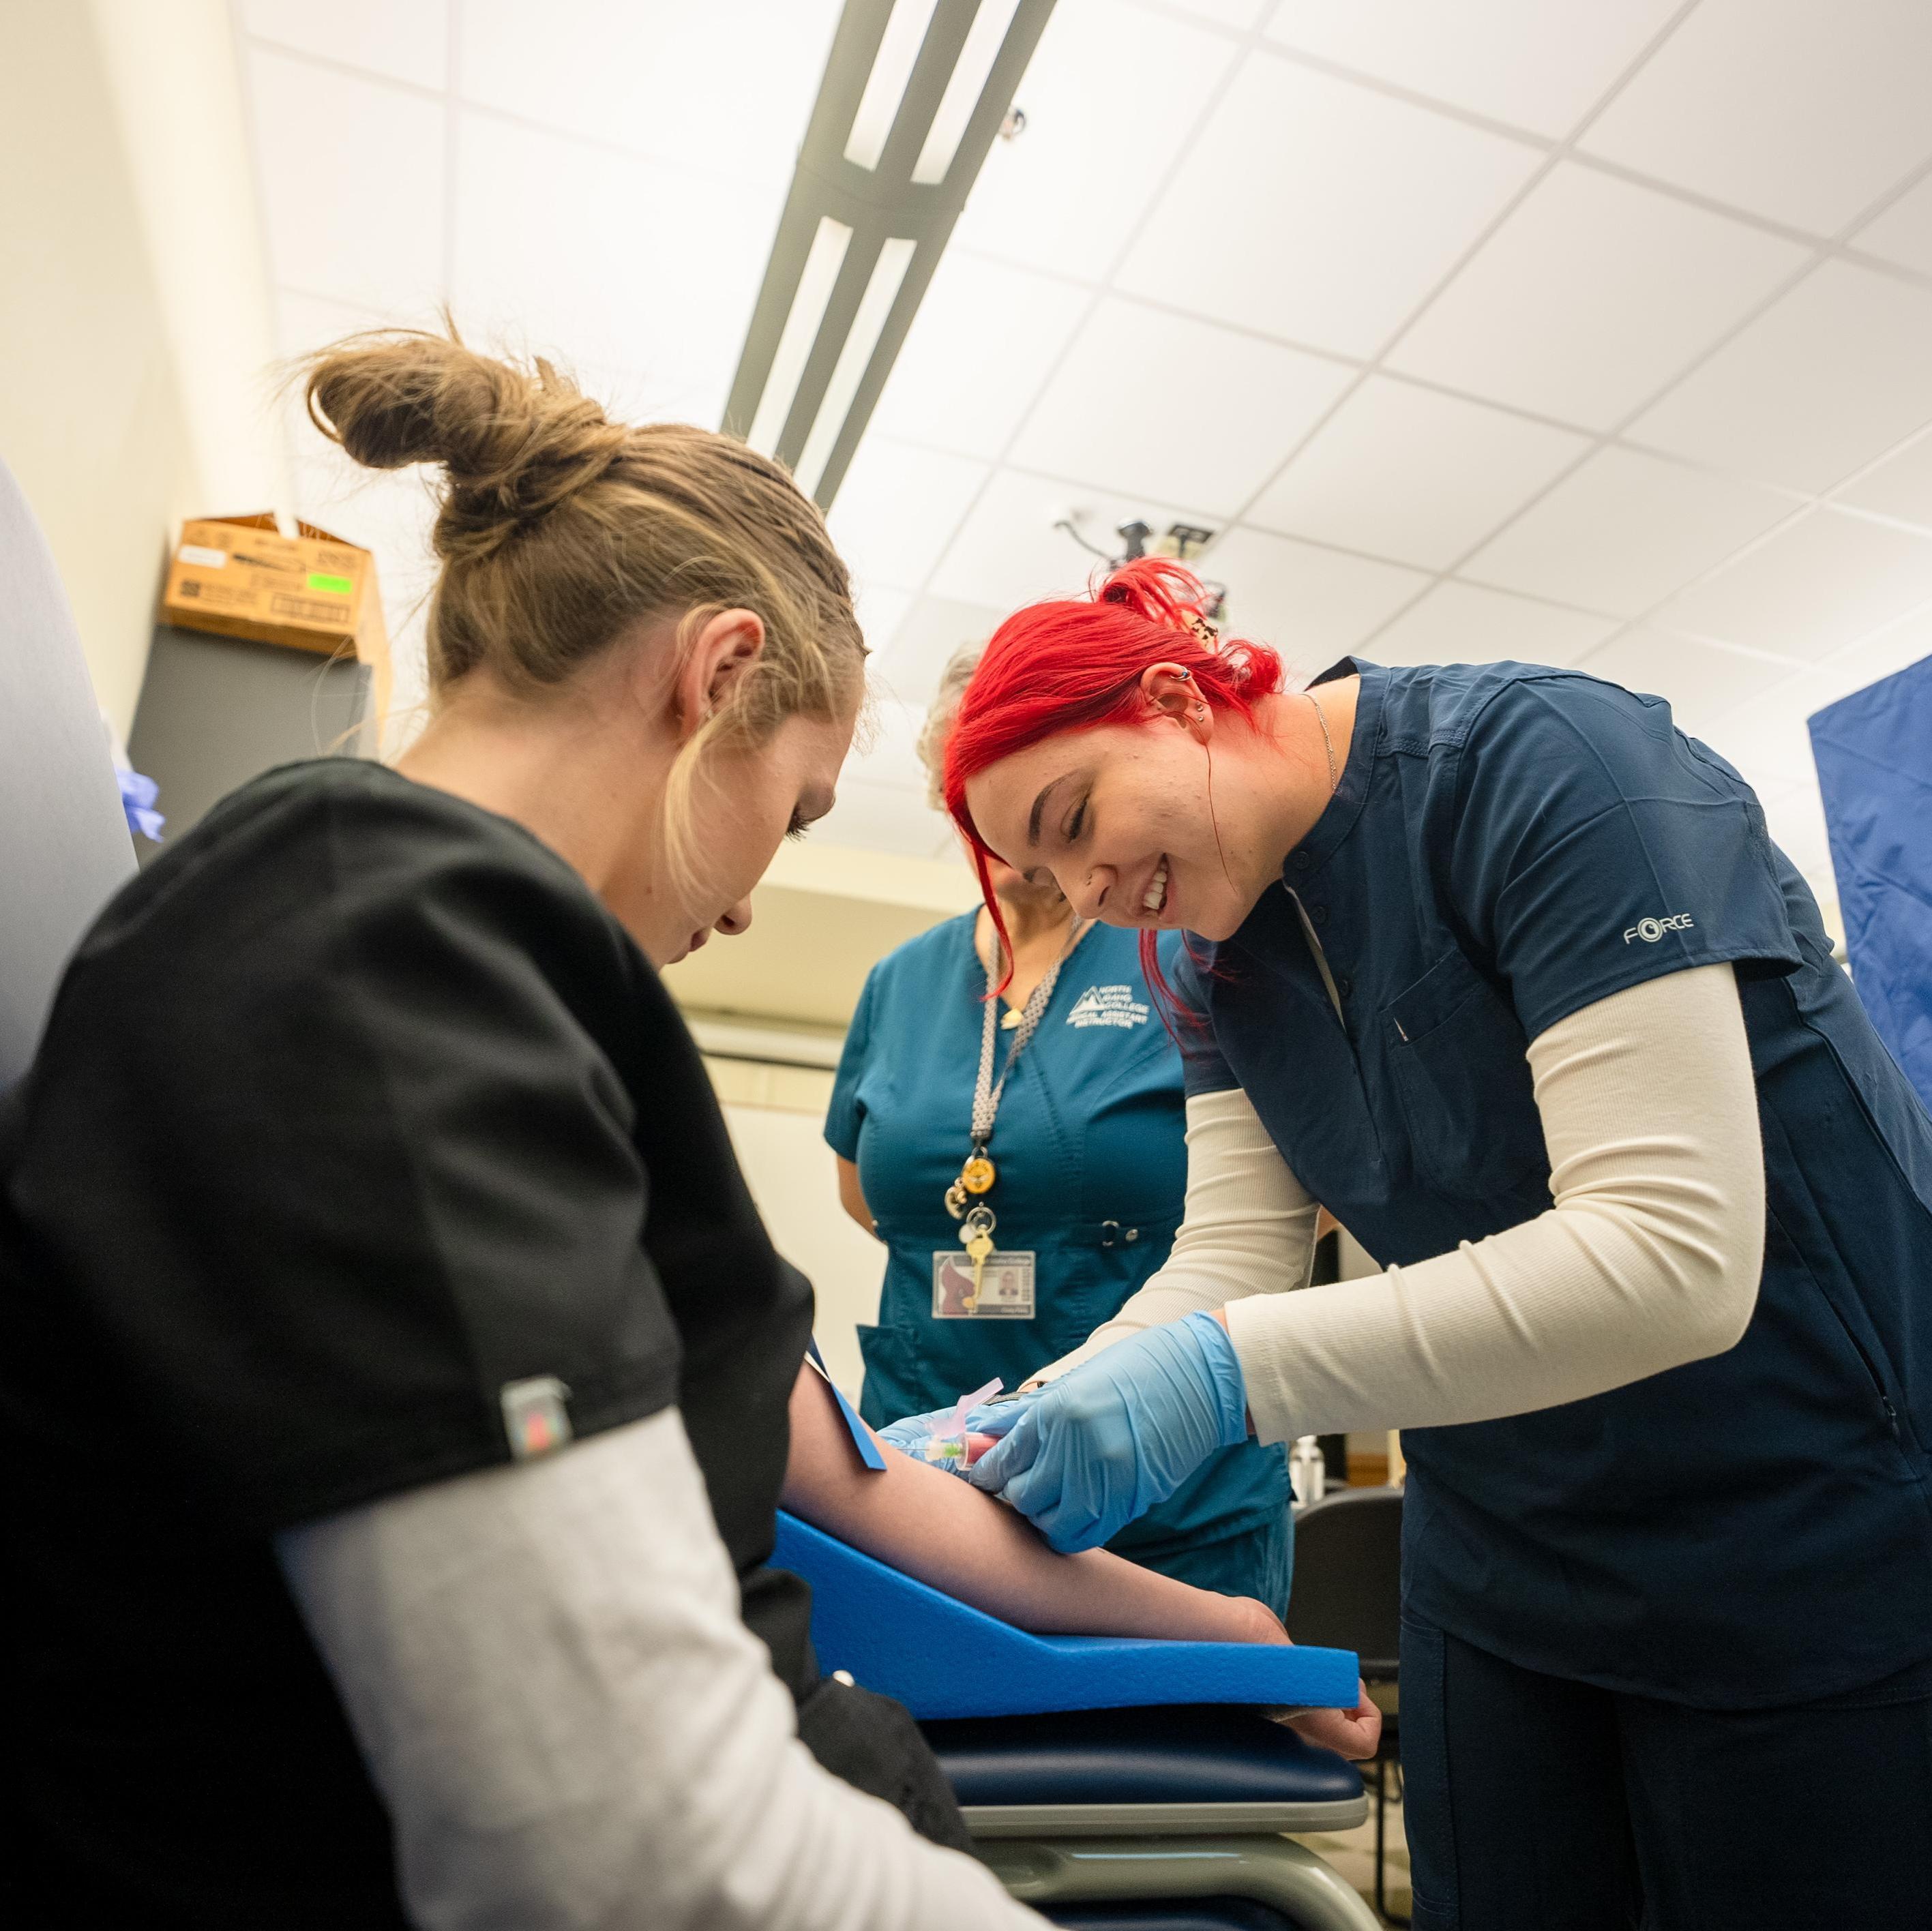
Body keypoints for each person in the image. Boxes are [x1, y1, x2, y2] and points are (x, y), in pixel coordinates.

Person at [0, 339, 1356, 1931]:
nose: (744, 903)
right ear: (715, 676)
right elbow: (634, 1844)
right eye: (789, 812)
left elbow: (836, 1475)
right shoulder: (373, 969)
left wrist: (1216, 1632)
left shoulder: (464, 973)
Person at [932, 556, 1932, 1931]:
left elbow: (1667, 1257)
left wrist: (1217, 1378)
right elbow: (1232, 1249)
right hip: (1505, 1546)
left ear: (1173, 698)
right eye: (1043, 873)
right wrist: (1053, 1399)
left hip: (1786, 1512)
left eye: (1073, 819)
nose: (1094, 893)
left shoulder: (1547, 770)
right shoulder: (1205, 957)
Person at [827, 644, 1293, 1611]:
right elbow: (866, 1193)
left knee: (1163, 1752)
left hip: (1166, 1494)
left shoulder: (1183, 938)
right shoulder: (900, 981)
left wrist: (1092, 1259)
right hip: (926, 1471)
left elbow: (1294, 1209)